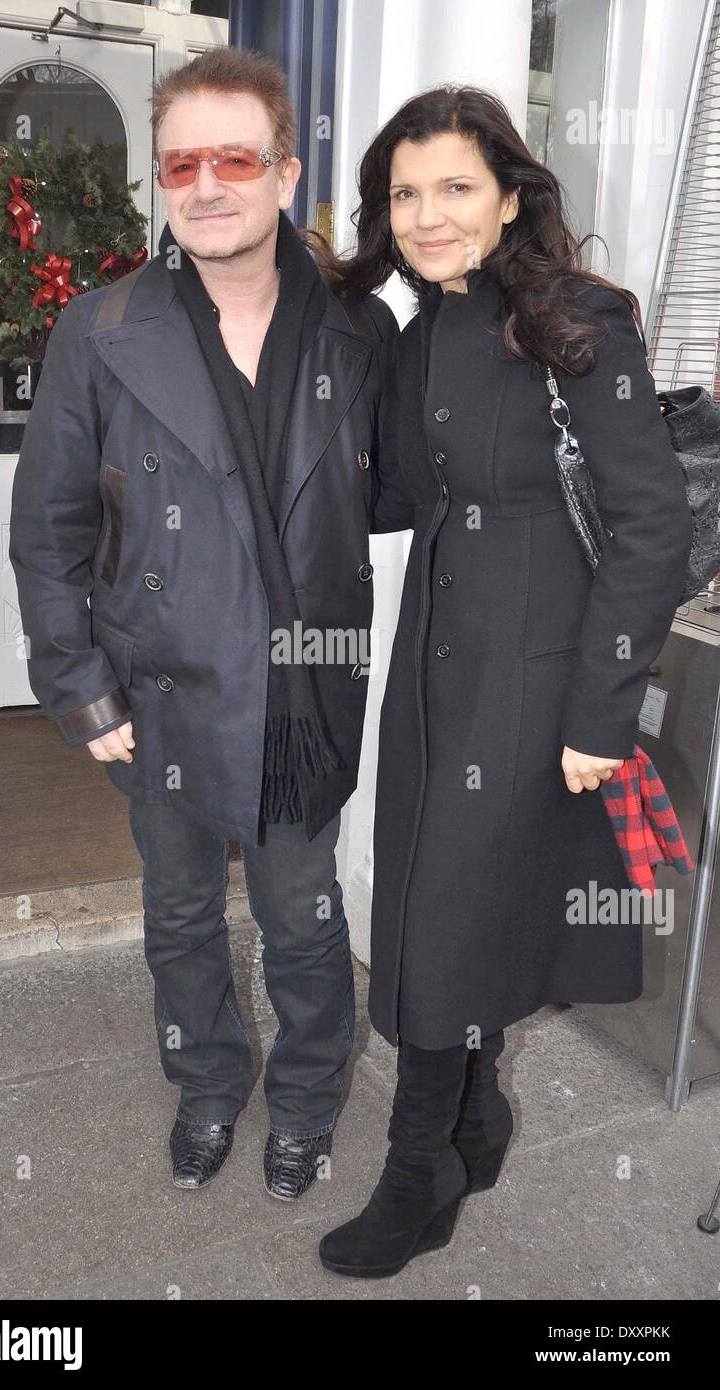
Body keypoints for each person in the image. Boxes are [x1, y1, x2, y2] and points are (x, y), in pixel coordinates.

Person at [9, 47, 405, 1202]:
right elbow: (50, 533)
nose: (207, 183)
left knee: (303, 916)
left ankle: (306, 1098)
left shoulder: (357, 330)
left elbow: (391, 487)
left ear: (285, 172)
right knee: (181, 914)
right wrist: (80, 690)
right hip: (159, 695)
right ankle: (206, 1084)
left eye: (236, 156)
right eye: (182, 160)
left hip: (301, 689)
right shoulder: (101, 329)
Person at [318, 85, 693, 1278]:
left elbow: (651, 530)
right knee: (453, 907)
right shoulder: (421, 326)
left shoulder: (580, 322)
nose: (427, 216)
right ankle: (478, 1113)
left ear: (511, 194)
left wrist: (600, 713)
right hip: (433, 667)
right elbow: (399, 496)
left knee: (440, 920)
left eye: (455, 189)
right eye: (405, 193)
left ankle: (415, 1162)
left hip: (535, 687)